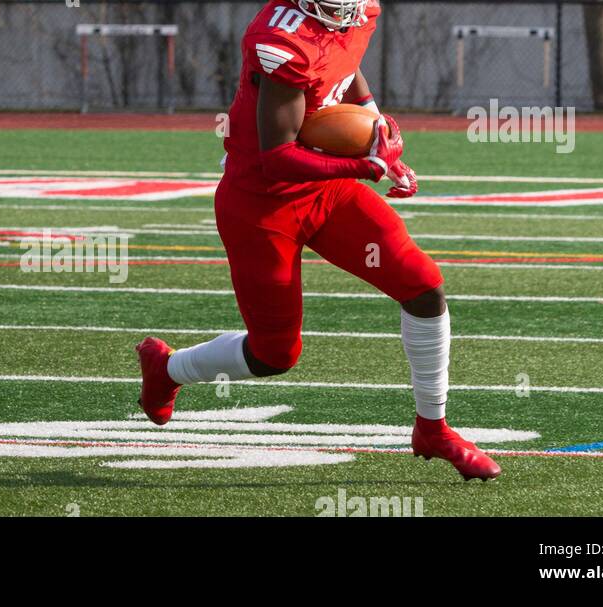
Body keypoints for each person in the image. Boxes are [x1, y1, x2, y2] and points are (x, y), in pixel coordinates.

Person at [135, 0, 501, 481]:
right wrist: (367, 165)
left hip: (326, 190)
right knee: (274, 355)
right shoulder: (281, 41)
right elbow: (278, 155)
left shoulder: (359, 11)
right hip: (261, 204)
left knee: (423, 285)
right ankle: (167, 369)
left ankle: (433, 427)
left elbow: (346, 70)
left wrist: (377, 128)